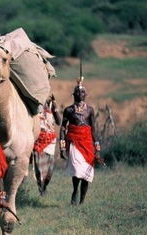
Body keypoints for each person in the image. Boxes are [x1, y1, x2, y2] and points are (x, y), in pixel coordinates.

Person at [59, 77, 102, 205]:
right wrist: (62, 147)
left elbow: (93, 129)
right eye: (77, 92)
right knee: (77, 171)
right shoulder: (68, 110)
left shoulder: (90, 110)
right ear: (73, 94)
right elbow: (62, 128)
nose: (80, 94)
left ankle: (82, 201)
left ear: (86, 95)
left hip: (87, 144)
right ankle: (74, 191)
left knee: (86, 175)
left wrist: (97, 149)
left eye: (82, 92)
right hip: (74, 142)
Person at [32, 94, 61, 196]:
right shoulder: (34, 105)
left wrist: (55, 107)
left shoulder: (50, 105)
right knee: (38, 168)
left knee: (50, 169)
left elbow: (59, 121)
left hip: (50, 140)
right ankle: (41, 186)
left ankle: (45, 185)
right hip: (37, 140)